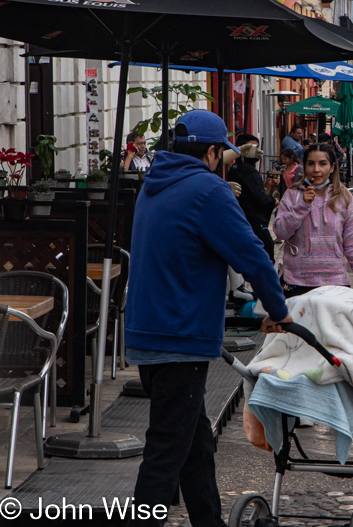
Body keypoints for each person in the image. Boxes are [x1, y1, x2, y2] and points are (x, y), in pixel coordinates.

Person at [124, 110, 292, 527]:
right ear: (214, 152)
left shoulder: (154, 184)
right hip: (181, 337)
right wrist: (280, 311)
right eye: (225, 156)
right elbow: (252, 253)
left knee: (195, 445)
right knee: (166, 453)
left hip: (149, 335)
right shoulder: (207, 190)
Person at [274, 143, 353, 297]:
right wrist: (302, 206)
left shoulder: (343, 197)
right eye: (311, 164)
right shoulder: (292, 194)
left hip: (335, 283)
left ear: (332, 167)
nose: (316, 170)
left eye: (322, 164)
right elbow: (281, 232)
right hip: (296, 281)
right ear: (304, 166)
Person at [227, 134, 279, 262]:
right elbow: (260, 198)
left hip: (242, 218)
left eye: (257, 147)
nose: (257, 150)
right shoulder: (247, 171)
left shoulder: (236, 168)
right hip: (253, 220)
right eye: (252, 147)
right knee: (266, 251)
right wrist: (273, 200)